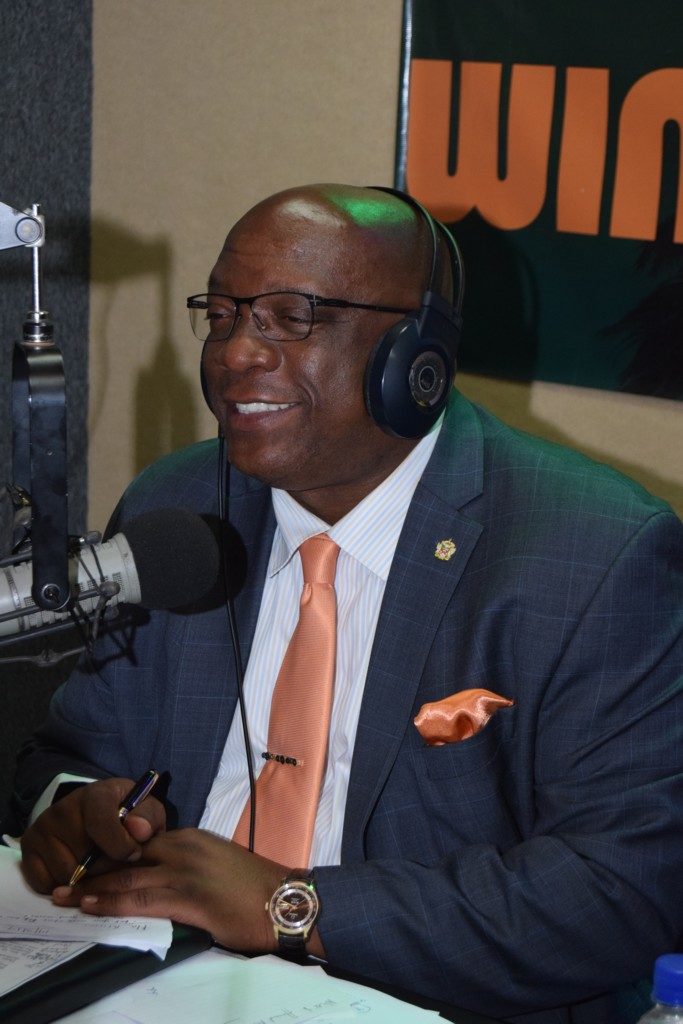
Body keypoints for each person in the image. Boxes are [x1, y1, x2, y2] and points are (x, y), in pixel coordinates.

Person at [12, 185, 683, 1024]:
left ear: (417, 357)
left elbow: (626, 886)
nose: (235, 354)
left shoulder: (595, 554)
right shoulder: (177, 506)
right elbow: (68, 749)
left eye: (291, 318)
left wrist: (293, 907)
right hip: (161, 980)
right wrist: (73, 809)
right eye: (221, 315)